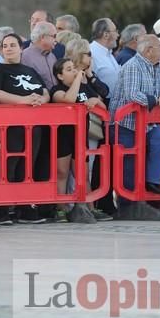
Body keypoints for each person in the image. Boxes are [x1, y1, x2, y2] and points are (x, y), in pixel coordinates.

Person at [0, 33, 49, 225]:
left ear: (21, 48)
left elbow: (44, 90)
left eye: (12, 45)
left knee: (27, 166)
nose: (8, 48)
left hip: (33, 126)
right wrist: (23, 101)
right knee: (7, 166)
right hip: (9, 127)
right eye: (5, 45)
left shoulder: (29, 69)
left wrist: (40, 99)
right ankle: (1, 208)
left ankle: (24, 208)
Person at [108, 35, 160, 199]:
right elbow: (133, 95)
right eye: (159, 48)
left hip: (146, 123)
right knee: (129, 163)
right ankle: (127, 202)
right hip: (125, 124)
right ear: (148, 51)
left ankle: (151, 181)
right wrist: (158, 100)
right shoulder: (133, 66)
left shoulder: (157, 66)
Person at [50, 58, 111, 222]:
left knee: (82, 175)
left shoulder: (85, 88)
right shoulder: (57, 90)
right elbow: (69, 99)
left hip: (80, 136)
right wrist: (78, 79)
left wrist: (96, 101)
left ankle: (90, 207)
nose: (74, 71)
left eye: (74, 68)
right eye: (69, 69)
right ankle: (60, 208)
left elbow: (104, 110)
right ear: (60, 75)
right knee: (61, 173)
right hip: (62, 136)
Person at [21, 21, 58, 90]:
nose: (56, 40)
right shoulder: (25, 56)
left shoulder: (52, 56)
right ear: (43, 37)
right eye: (54, 36)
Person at [90, 17, 120, 98]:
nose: (118, 35)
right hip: (102, 106)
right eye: (115, 31)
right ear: (106, 35)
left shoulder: (109, 53)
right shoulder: (90, 53)